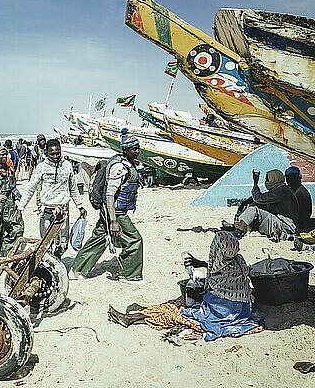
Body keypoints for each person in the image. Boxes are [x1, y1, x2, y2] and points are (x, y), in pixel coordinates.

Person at [108, 231, 263, 342]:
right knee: (173, 307)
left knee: (173, 311)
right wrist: (199, 263)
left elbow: (211, 283)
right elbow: (215, 268)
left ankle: (131, 319)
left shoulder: (220, 271)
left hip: (220, 313)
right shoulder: (238, 261)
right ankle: (131, 318)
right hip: (242, 309)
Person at [70, 133, 144, 283]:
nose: (137, 151)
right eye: (133, 149)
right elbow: (110, 195)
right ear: (125, 150)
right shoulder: (119, 167)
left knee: (100, 237)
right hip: (115, 211)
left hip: (111, 210)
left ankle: (78, 270)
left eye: (138, 148)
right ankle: (129, 275)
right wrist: (113, 221)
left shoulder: (126, 163)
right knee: (134, 240)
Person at [15, 138, 86, 258]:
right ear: (47, 153)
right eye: (52, 154)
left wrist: (80, 206)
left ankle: (56, 261)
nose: (55, 156)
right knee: (46, 245)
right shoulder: (41, 167)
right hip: (47, 211)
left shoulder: (67, 166)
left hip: (63, 211)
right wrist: (20, 208)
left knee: (63, 245)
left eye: (58, 153)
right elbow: (30, 188)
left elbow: (73, 188)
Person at [235, 169, 299, 241]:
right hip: (282, 223)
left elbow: (258, 198)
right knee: (254, 206)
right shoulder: (282, 189)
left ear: (274, 179)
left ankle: (239, 231)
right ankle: (240, 226)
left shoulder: (281, 191)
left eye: (267, 180)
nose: (266, 182)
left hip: (285, 227)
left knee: (253, 208)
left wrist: (255, 183)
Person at [285, 166, 312, 232]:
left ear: (298, 178)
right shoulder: (296, 190)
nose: (289, 181)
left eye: (291, 178)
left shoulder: (300, 194)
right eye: (288, 178)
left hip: (299, 225)